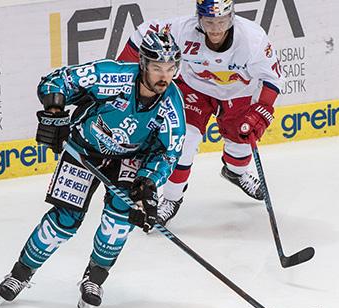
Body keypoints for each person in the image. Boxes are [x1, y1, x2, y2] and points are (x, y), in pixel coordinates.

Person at [0, 31, 185, 308]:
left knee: (119, 222)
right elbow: (57, 80)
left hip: (130, 160)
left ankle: (94, 280)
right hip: (82, 150)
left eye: (170, 68)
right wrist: (55, 108)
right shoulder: (112, 75)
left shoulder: (172, 103)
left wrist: (148, 183)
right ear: (144, 63)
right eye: (158, 67)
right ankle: (21, 273)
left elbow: (169, 152)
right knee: (64, 220)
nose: (164, 76)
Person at [118, 0, 282, 226]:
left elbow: (273, 79)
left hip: (239, 91)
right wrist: (119, 73)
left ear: (232, 17)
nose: (215, 28)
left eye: (222, 21)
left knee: (241, 139)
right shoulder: (182, 29)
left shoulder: (253, 39)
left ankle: (236, 172)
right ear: (199, 18)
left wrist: (262, 110)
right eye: (209, 21)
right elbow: (144, 33)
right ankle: (172, 198)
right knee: (184, 141)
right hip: (194, 88)